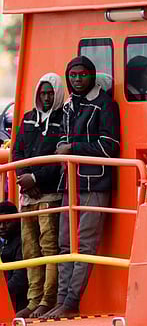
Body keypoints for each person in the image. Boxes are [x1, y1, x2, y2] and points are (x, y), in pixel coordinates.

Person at [42, 56, 120, 319]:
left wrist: (73, 149)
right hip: (70, 184)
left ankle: (72, 301)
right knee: (65, 245)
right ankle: (62, 300)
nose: (77, 79)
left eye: (82, 75)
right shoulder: (67, 108)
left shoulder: (105, 105)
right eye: (73, 75)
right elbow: (62, 141)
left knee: (85, 245)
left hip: (95, 183)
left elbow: (110, 147)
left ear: (92, 76)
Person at [12, 73, 65, 318]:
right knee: (30, 248)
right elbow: (18, 152)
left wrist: (36, 179)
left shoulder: (63, 119)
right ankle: (33, 300)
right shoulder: (28, 119)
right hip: (28, 197)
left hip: (50, 196)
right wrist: (25, 178)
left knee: (49, 247)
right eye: (43, 93)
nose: (46, 97)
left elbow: (58, 159)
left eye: (50, 93)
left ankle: (48, 299)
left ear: (57, 94)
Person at [0, 201, 28, 313]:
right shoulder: (3, 241)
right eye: (0, 223)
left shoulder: (22, 241)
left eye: (7, 223)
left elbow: (20, 279)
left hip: (18, 303)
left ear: (17, 220)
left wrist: (2, 293)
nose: (2, 227)